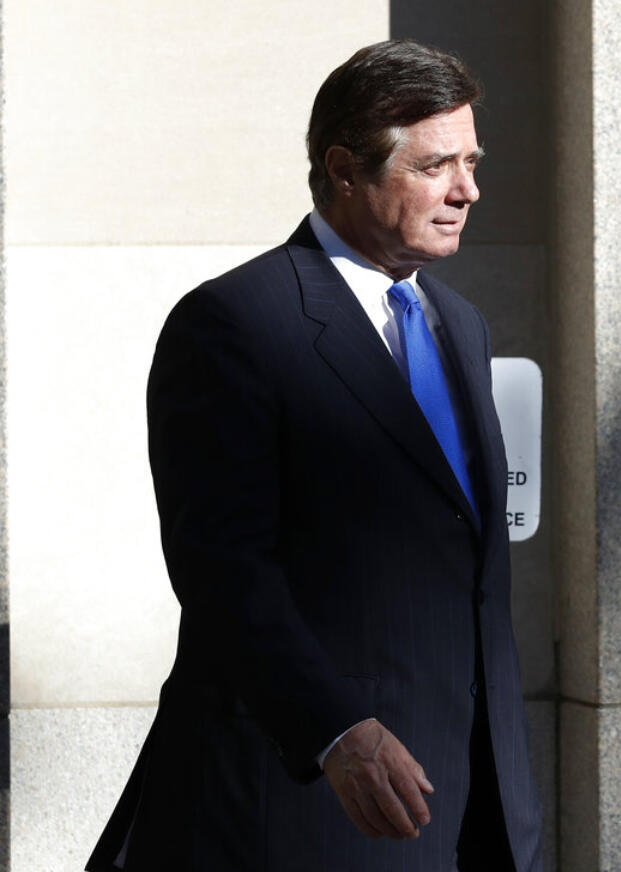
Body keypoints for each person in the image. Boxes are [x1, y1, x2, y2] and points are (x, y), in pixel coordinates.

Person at [86, 39, 543, 872]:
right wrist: (335, 730)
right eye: (437, 165)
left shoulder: (461, 325)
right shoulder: (234, 325)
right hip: (315, 805)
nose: (468, 190)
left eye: (472, 161)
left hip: (474, 804)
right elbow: (222, 568)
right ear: (344, 169)